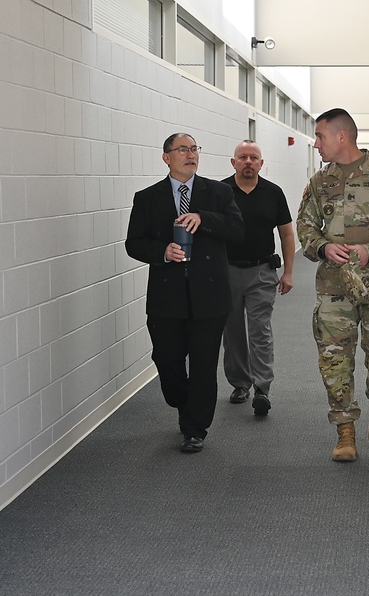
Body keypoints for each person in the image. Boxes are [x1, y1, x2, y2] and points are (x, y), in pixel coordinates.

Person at [297, 108, 369, 462]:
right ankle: (345, 430)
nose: (316, 143)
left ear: (341, 137)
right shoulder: (320, 182)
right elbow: (305, 227)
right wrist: (322, 246)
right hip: (333, 287)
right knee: (333, 360)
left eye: (320, 136)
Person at [125, 133, 244, 454]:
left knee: (204, 365)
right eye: (183, 150)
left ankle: (195, 429)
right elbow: (133, 243)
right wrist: (163, 250)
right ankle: (181, 401)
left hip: (210, 296)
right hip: (167, 297)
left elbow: (236, 229)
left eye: (194, 149)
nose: (190, 154)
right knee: (167, 360)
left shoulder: (218, 192)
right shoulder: (147, 198)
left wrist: (203, 218)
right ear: (167, 157)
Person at [222, 140, 295, 416]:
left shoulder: (273, 193)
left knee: (259, 330)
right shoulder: (220, 192)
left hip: (262, 271)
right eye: (243, 157)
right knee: (232, 332)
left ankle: (262, 388)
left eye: (254, 157)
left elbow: (286, 234)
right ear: (234, 162)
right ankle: (240, 383)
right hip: (227, 271)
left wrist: (288, 271)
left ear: (261, 164)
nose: (248, 162)